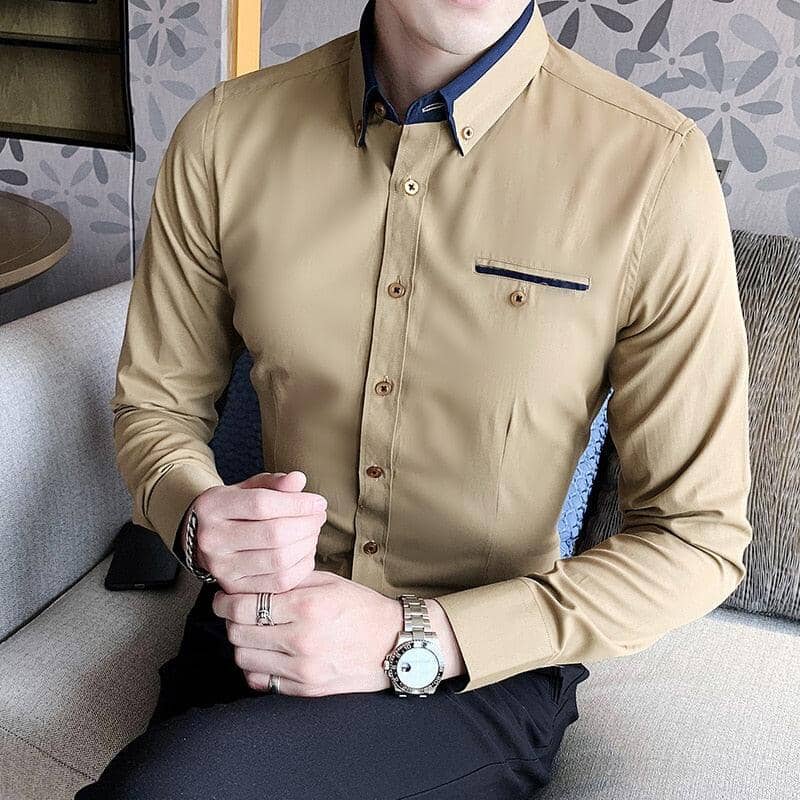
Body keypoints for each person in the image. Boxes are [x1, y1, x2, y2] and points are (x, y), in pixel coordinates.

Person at [74, 0, 752, 797]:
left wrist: (416, 635)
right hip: (255, 628)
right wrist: (198, 516)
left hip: (481, 674)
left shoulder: (655, 168)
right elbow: (156, 407)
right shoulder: (224, 134)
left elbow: (696, 537)